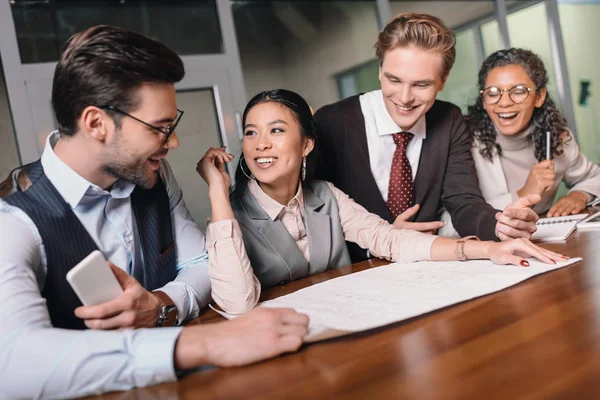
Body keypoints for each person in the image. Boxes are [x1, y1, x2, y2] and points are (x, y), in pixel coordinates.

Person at [0, 25, 308, 399]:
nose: (173, 142)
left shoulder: (154, 173)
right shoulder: (10, 220)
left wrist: (161, 305)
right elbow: (13, 360)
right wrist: (203, 344)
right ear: (96, 123)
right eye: (160, 128)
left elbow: (200, 264)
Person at [197, 89, 566, 315]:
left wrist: (488, 250)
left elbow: (391, 239)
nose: (260, 143)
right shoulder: (228, 218)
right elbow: (237, 304)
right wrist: (217, 192)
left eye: (276, 130)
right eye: (250, 133)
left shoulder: (326, 195)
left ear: (306, 144)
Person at [313, 13, 539, 262]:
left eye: (421, 85)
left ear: (443, 81)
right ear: (380, 71)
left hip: (428, 272)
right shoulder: (330, 123)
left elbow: (463, 202)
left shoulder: (449, 120)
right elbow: (312, 222)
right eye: (394, 80)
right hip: (358, 273)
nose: (405, 97)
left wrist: (499, 225)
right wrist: (386, 241)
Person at [465, 48, 600, 217]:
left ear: (539, 97)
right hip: (488, 242)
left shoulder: (557, 137)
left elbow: (594, 177)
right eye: (492, 93)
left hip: (543, 240)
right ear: (484, 100)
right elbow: (451, 220)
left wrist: (579, 195)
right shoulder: (464, 143)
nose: (505, 103)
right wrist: (523, 194)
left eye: (519, 91)